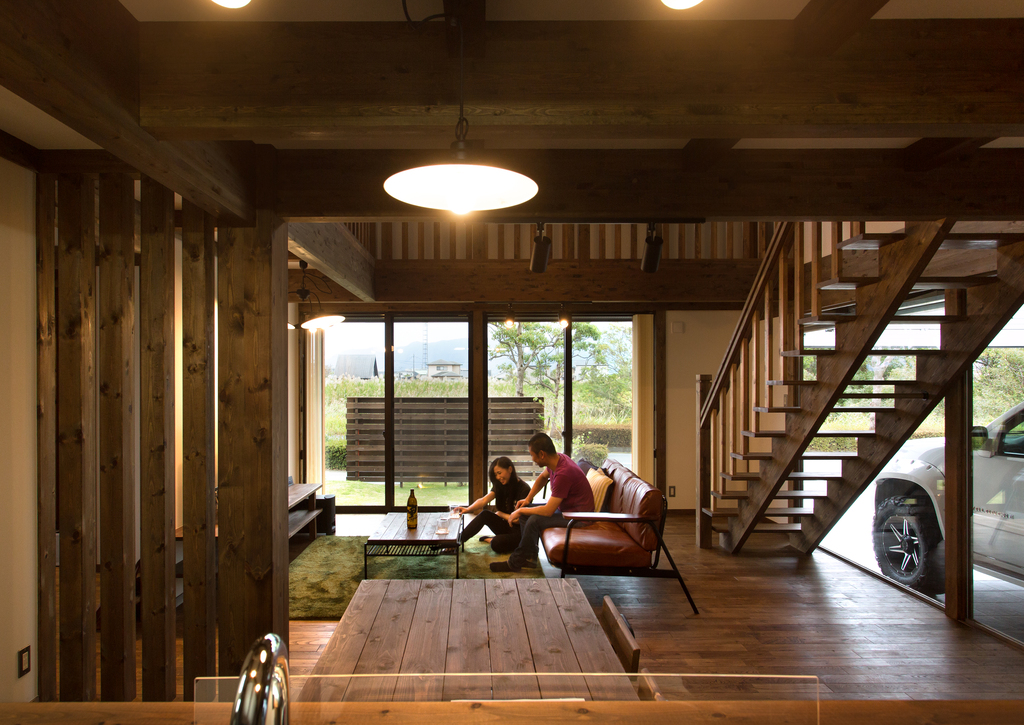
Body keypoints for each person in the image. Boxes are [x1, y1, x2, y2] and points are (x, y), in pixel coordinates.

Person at [490, 432, 594, 573]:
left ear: (542, 454)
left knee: (533, 520)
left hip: (578, 517)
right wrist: (527, 500)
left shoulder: (563, 473)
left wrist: (520, 510)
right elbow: (542, 478)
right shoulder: (557, 460)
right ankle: (530, 556)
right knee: (526, 513)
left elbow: (548, 511)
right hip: (566, 510)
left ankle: (515, 562)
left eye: (532, 455)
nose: (533, 459)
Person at [455, 457, 531, 553]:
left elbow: (519, 520)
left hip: (520, 532)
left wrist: (500, 514)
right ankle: (457, 542)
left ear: (510, 469)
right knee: (485, 514)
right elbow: (483, 500)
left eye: (499, 473)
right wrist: (468, 509)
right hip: (507, 527)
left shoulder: (524, 489)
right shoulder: (500, 485)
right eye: (495, 475)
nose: (498, 477)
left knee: (496, 543)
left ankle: (493, 540)